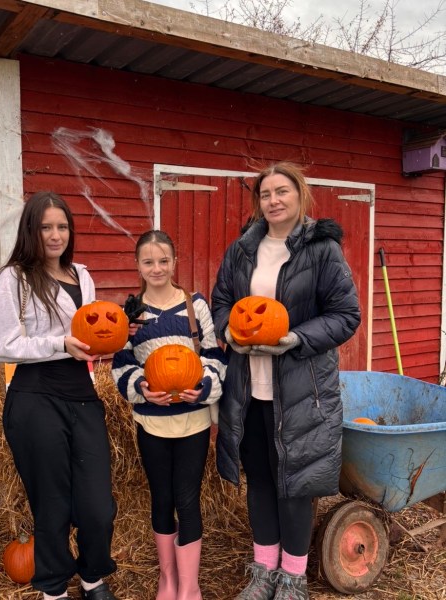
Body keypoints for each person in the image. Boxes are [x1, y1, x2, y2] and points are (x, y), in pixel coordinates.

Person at [211, 162, 361, 600]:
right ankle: (263, 572)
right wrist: (227, 332)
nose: (273, 200)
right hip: (249, 389)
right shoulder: (242, 249)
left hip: (301, 391)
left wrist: (295, 337)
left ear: (300, 196)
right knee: (259, 479)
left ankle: (292, 579)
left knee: (295, 484)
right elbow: (223, 299)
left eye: (282, 191)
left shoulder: (321, 248)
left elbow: (345, 315)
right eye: (265, 194)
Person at [0, 191, 118, 600]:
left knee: (99, 505)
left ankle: (93, 573)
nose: (55, 235)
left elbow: (91, 329)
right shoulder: (15, 278)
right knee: (52, 502)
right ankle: (53, 586)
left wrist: (103, 345)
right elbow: (0, 345)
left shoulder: (82, 274)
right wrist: (60, 344)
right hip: (35, 397)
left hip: (81, 394)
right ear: (32, 231)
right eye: (46, 227)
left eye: (62, 226)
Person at [112, 230, 226, 600]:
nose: (157, 268)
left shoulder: (195, 306)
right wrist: (141, 386)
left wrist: (205, 386)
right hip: (152, 422)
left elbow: (214, 355)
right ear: (138, 266)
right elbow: (121, 362)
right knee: (161, 497)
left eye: (163, 260)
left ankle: (189, 587)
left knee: (187, 497)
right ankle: (168, 579)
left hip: (192, 421)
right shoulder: (132, 313)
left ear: (174, 262)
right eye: (148, 261)